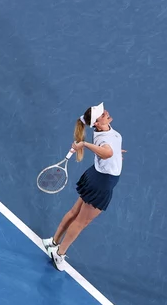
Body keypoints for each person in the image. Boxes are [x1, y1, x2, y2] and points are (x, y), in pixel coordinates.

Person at [43, 102, 123, 271]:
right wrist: (85, 144)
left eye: (103, 112)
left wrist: (117, 153)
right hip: (101, 184)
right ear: (96, 124)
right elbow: (107, 152)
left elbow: (111, 151)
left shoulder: (106, 131)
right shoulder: (103, 138)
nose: (106, 112)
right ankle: (59, 254)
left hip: (96, 176)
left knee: (74, 212)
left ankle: (53, 242)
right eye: (101, 115)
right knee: (81, 222)